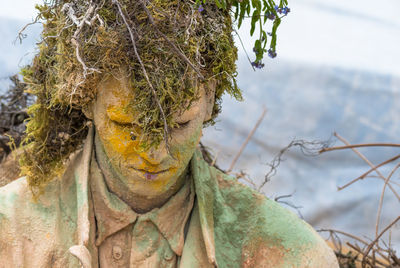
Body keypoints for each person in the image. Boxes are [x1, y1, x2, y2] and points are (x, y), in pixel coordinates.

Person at [0, 0, 339, 267]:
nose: (155, 153)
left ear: (209, 99)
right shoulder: (9, 231)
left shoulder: (289, 255)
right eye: (127, 126)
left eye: (178, 125)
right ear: (85, 96)